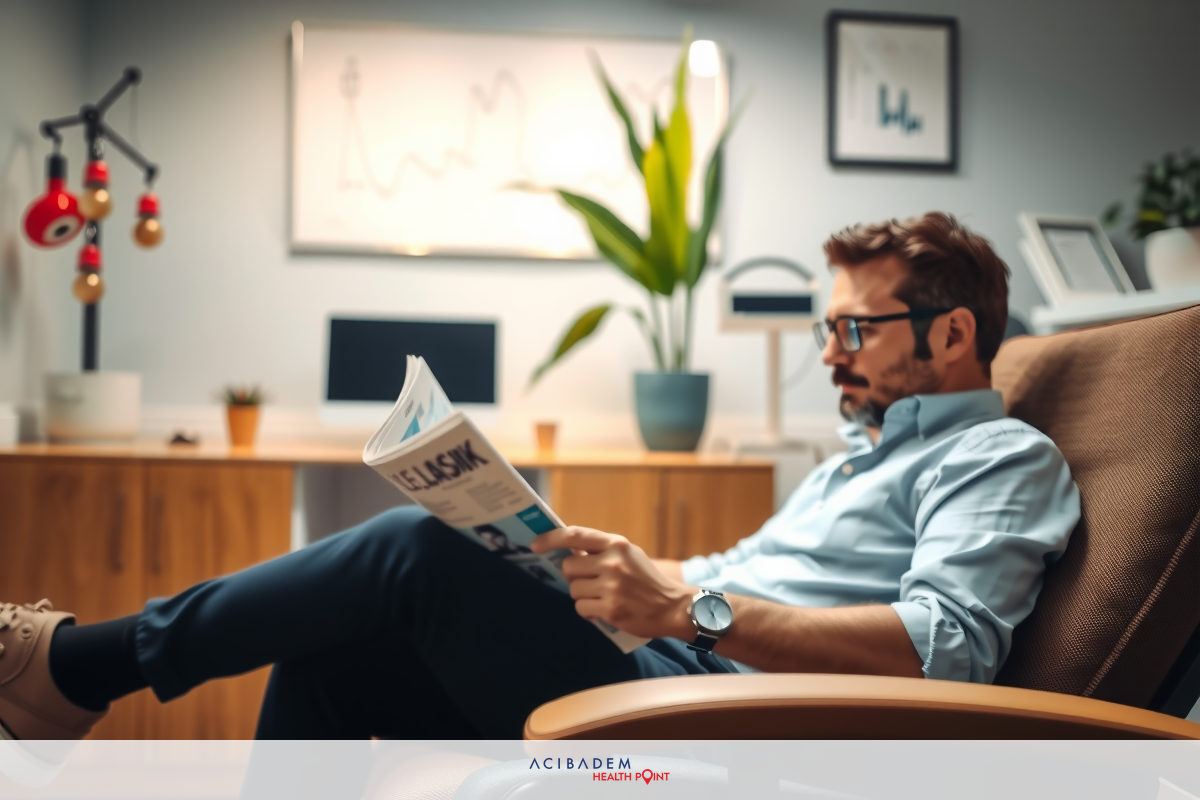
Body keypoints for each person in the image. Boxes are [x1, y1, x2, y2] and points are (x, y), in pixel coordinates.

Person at [0, 212, 1079, 740]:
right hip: (675, 656)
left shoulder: (1000, 456)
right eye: (824, 327)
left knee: (417, 549)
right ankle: (79, 674)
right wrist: (593, 562)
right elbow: (735, 575)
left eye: (853, 326)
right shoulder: (862, 458)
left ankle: (82, 667)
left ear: (949, 334)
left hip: (746, 720)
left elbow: (950, 647)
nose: (831, 350)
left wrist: (686, 605)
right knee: (342, 644)